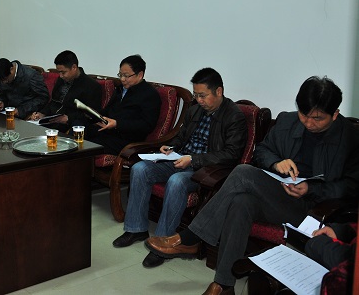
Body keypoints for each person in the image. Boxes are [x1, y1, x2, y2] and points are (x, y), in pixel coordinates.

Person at [145, 76, 359, 295]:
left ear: (335, 114)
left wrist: (311, 188)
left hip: (312, 211)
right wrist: (276, 163)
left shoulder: (351, 138)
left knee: (242, 173)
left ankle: (193, 238)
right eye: (304, 115)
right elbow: (262, 151)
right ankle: (224, 284)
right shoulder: (288, 121)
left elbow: (352, 187)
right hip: (279, 195)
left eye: (317, 118)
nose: (309, 123)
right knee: (242, 201)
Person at [113, 68, 248, 270]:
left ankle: (164, 241)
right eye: (195, 95)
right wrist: (170, 147)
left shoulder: (234, 116)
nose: (198, 100)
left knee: (176, 182)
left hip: (204, 170)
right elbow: (181, 137)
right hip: (179, 159)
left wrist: (193, 159)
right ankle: (136, 228)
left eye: (203, 95)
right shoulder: (195, 111)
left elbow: (231, 154)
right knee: (140, 169)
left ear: (219, 91)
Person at [85, 54, 161, 155]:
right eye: (120, 75)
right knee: (79, 130)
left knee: (89, 146)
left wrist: (117, 124)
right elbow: (108, 111)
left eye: (126, 76)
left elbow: (146, 125)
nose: (122, 79)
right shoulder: (120, 89)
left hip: (128, 141)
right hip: (109, 132)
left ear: (140, 75)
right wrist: (91, 113)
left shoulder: (149, 94)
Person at [27, 50, 102, 132]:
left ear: (74, 67)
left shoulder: (91, 86)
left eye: (63, 72)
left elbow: (92, 114)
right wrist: (42, 114)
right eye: (59, 72)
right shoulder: (61, 80)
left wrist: (69, 118)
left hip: (72, 125)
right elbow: (54, 102)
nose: (60, 76)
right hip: (53, 121)